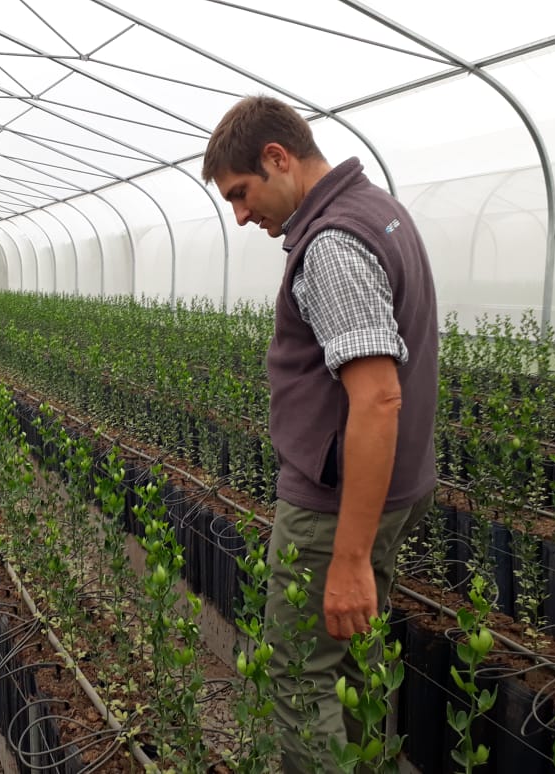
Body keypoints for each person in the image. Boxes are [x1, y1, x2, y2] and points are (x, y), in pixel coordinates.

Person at [202, 95, 438, 772]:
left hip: (334, 510)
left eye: (243, 194)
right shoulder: (380, 211)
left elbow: (378, 397)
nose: (243, 216)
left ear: (278, 158)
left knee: (300, 677)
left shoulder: (332, 244)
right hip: (392, 491)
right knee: (353, 669)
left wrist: (349, 558)